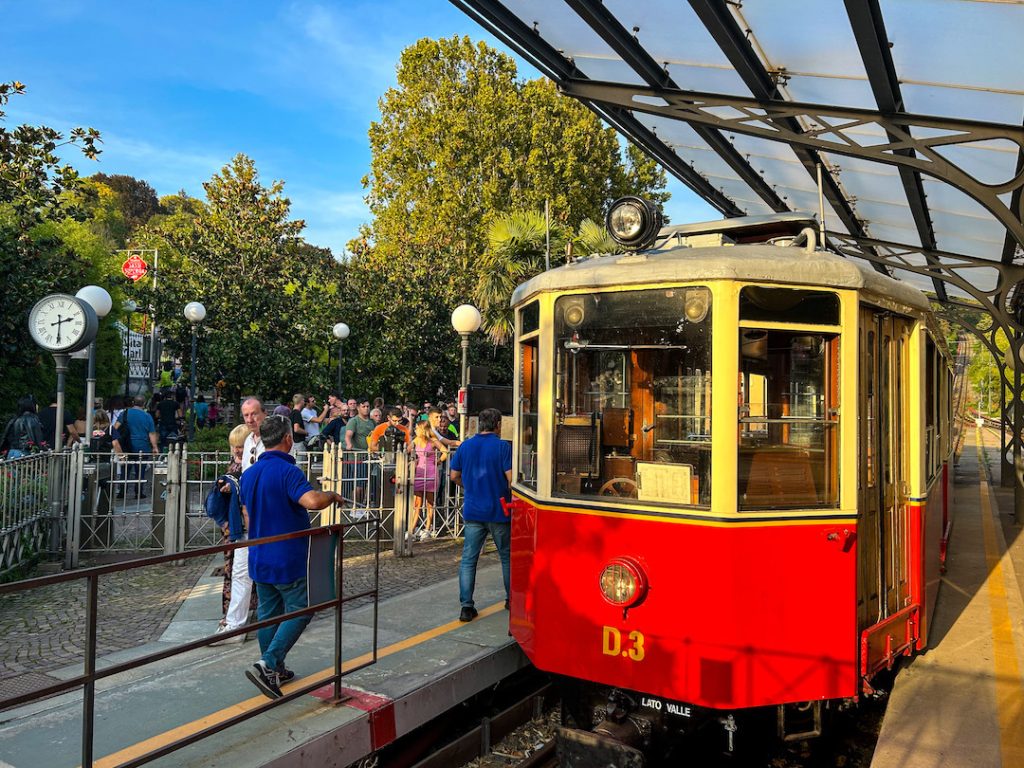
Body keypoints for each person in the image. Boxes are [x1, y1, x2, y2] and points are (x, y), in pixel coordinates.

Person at [240, 414, 345, 699]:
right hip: (287, 556)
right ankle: (268, 663)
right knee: (302, 608)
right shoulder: (289, 472)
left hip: (259, 554)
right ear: (288, 439)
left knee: (268, 615)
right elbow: (311, 501)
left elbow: (247, 514)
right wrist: (332, 494)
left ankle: (276, 670)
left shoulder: (248, 475)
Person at [449, 408, 512, 622]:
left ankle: (466, 607)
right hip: (498, 509)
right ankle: (511, 599)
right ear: (498, 425)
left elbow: (454, 475)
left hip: (473, 510)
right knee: (506, 556)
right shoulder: (503, 447)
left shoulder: (465, 446)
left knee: (468, 559)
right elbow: (511, 478)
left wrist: (468, 487)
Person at [210, 424, 252, 636]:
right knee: (233, 571)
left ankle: (235, 619)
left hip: (244, 525)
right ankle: (231, 617)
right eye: (234, 446)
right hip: (233, 526)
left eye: (241, 445)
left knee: (240, 572)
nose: (237, 450)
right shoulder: (233, 465)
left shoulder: (249, 465)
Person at [112, 396, 158, 498]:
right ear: (144, 403)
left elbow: (115, 428)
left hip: (126, 446)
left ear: (133, 402)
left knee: (125, 469)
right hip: (142, 446)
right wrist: (155, 447)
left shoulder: (125, 413)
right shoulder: (147, 416)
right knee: (140, 470)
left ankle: (122, 492)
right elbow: (152, 433)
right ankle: (139, 492)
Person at [409, 420, 447, 540]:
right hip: (419, 473)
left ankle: (428, 528)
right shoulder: (415, 441)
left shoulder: (433, 441)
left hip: (431, 472)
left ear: (422, 429)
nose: (415, 430)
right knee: (417, 503)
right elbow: (406, 450)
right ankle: (412, 529)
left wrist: (439, 461)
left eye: (417, 428)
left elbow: (445, 451)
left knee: (430, 503)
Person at [345, 398, 375, 505]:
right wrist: (349, 444)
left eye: (367, 406)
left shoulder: (372, 422)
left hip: (370, 457)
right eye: (363, 406)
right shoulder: (354, 421)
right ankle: (354, 506)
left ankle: (361, 506)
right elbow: (348, 435)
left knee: (367, 484)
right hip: (357, 458)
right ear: (358, 408)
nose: (366, 409)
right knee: (359, 485)